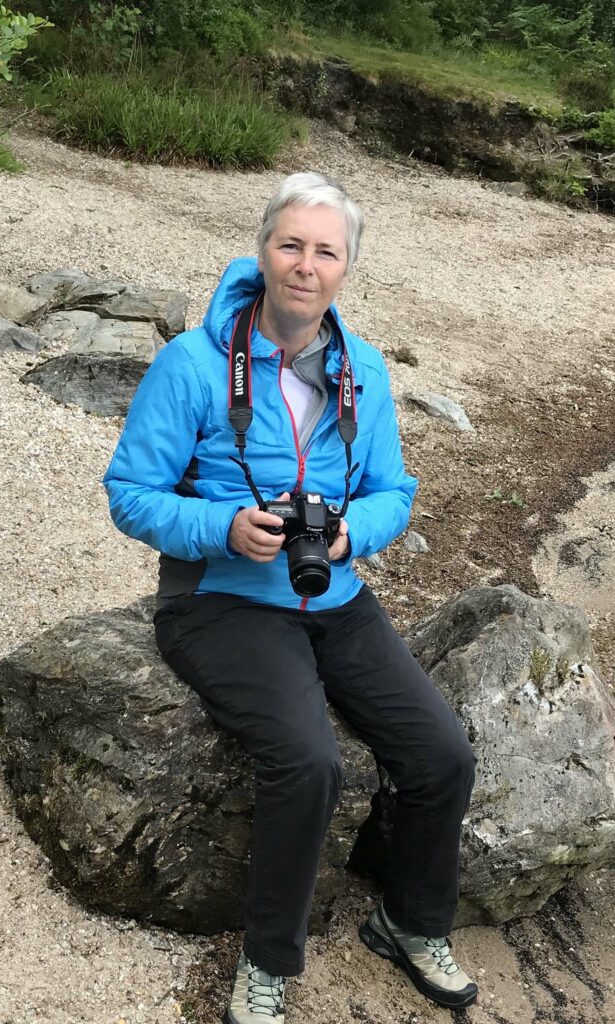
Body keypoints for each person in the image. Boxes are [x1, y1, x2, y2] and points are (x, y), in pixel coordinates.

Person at [103, 172, 478, 1022]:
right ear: (263, 251)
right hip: (219, 596)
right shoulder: (194, 364)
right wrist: (223, 528)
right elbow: (130, 493)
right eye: (291, 245)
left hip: (331, 588)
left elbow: (393, 489)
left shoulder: (364, 371)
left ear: (347, 268)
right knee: (310, 762)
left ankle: (409, 923)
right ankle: (267, 963)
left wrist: (352, 536)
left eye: (326, 251)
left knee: (441, 754)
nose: (306, 265)